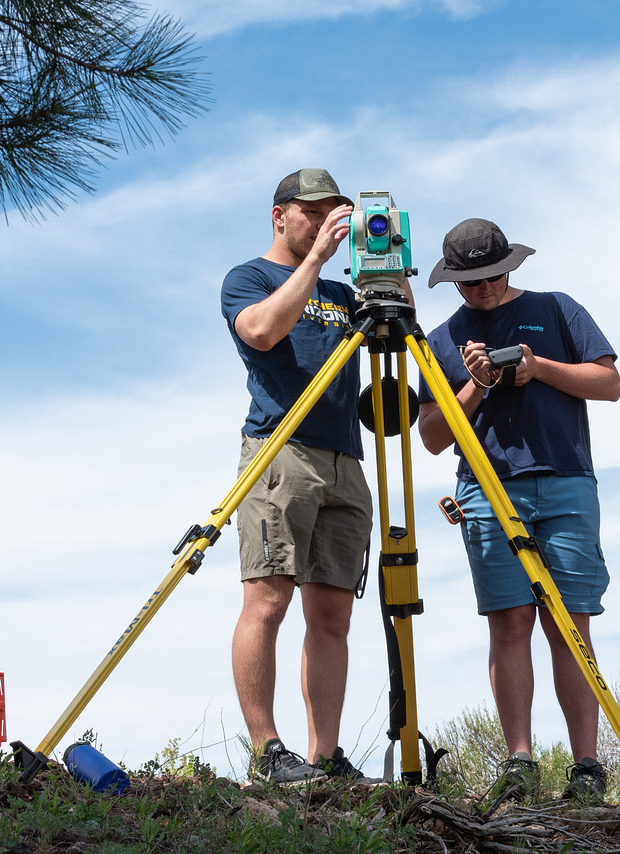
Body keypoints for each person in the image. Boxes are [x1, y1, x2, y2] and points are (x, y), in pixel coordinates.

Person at [416, 217, 620, 802]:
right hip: (487, 489)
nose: (480, 290)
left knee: (569, 624)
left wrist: (536, 368)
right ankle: (519, 761)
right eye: (468, 281)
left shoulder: (558, 309)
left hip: (565, 482)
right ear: (453, 280)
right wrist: (476, 384)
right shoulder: (442, 337)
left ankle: (587, 766)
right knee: (509, 625)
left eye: (489, 277)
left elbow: (609, 383)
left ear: (509, 266)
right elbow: (432, 435)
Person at [220, 168, 374, 784]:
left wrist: (390, 295)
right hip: (279, 450)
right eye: (309, 210)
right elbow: (260, 332)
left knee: (333, 614)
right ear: (279, 215)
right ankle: (267, 752)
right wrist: (314, 260)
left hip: (344, 457)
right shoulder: (250, 278)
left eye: (332, 210)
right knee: (269, 600)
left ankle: (325, 755)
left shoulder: (343, 293)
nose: (322, 220)